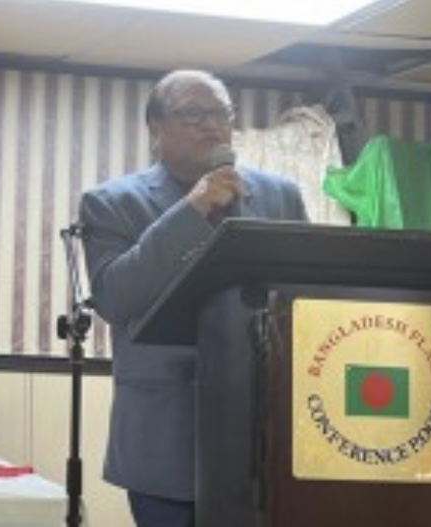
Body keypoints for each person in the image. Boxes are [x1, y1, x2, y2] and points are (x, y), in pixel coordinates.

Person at [79, 70, 308, 527]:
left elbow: (304, 293)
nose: (211, 125)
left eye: (221, 113)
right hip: (165, 438)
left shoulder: (279, 197)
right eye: (193, 115)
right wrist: (193, 209)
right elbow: (116, 298)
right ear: (155, 129)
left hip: (263, 433)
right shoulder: (111, 203)